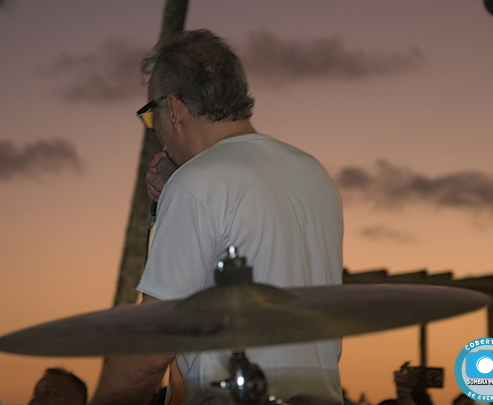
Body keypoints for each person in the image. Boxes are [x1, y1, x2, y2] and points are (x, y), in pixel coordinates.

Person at [91, 29, 343, 405]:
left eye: (152, 116)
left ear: (173, 109)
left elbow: (150, 352)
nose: (156, 130)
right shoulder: (312, 173)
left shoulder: (196, 183)